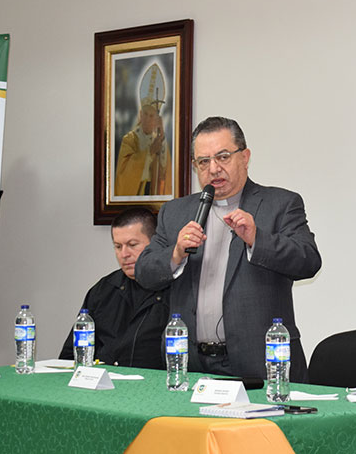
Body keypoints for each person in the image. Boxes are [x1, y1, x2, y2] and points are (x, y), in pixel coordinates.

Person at [135, 116, 322, 381]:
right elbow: (144, 271)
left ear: (244, 157)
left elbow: (309, 261)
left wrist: (257, 238)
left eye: (223, 157)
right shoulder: (175, 212)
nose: (213, 169)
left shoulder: (280, 204)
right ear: (194, 166)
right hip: (191, 364)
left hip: (261, 364)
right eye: (203, 161)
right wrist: (175, 253)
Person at [60, 207, 169, 368]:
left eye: (132, 245)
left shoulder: (176, 289)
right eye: (118, 246)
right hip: (102, 385)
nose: (124, 254)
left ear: (156, 244)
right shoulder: (103, 290)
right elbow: (71, 354)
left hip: (153, 386)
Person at [114, 62, 173, 196]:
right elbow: (124, 176)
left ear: (157, 118)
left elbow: (165, 174)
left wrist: (161, 140)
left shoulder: (159, 140)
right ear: (140, 115)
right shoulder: (130, 139)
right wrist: (149, 152)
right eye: (145, 114)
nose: (147, 118)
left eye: (151, 115)